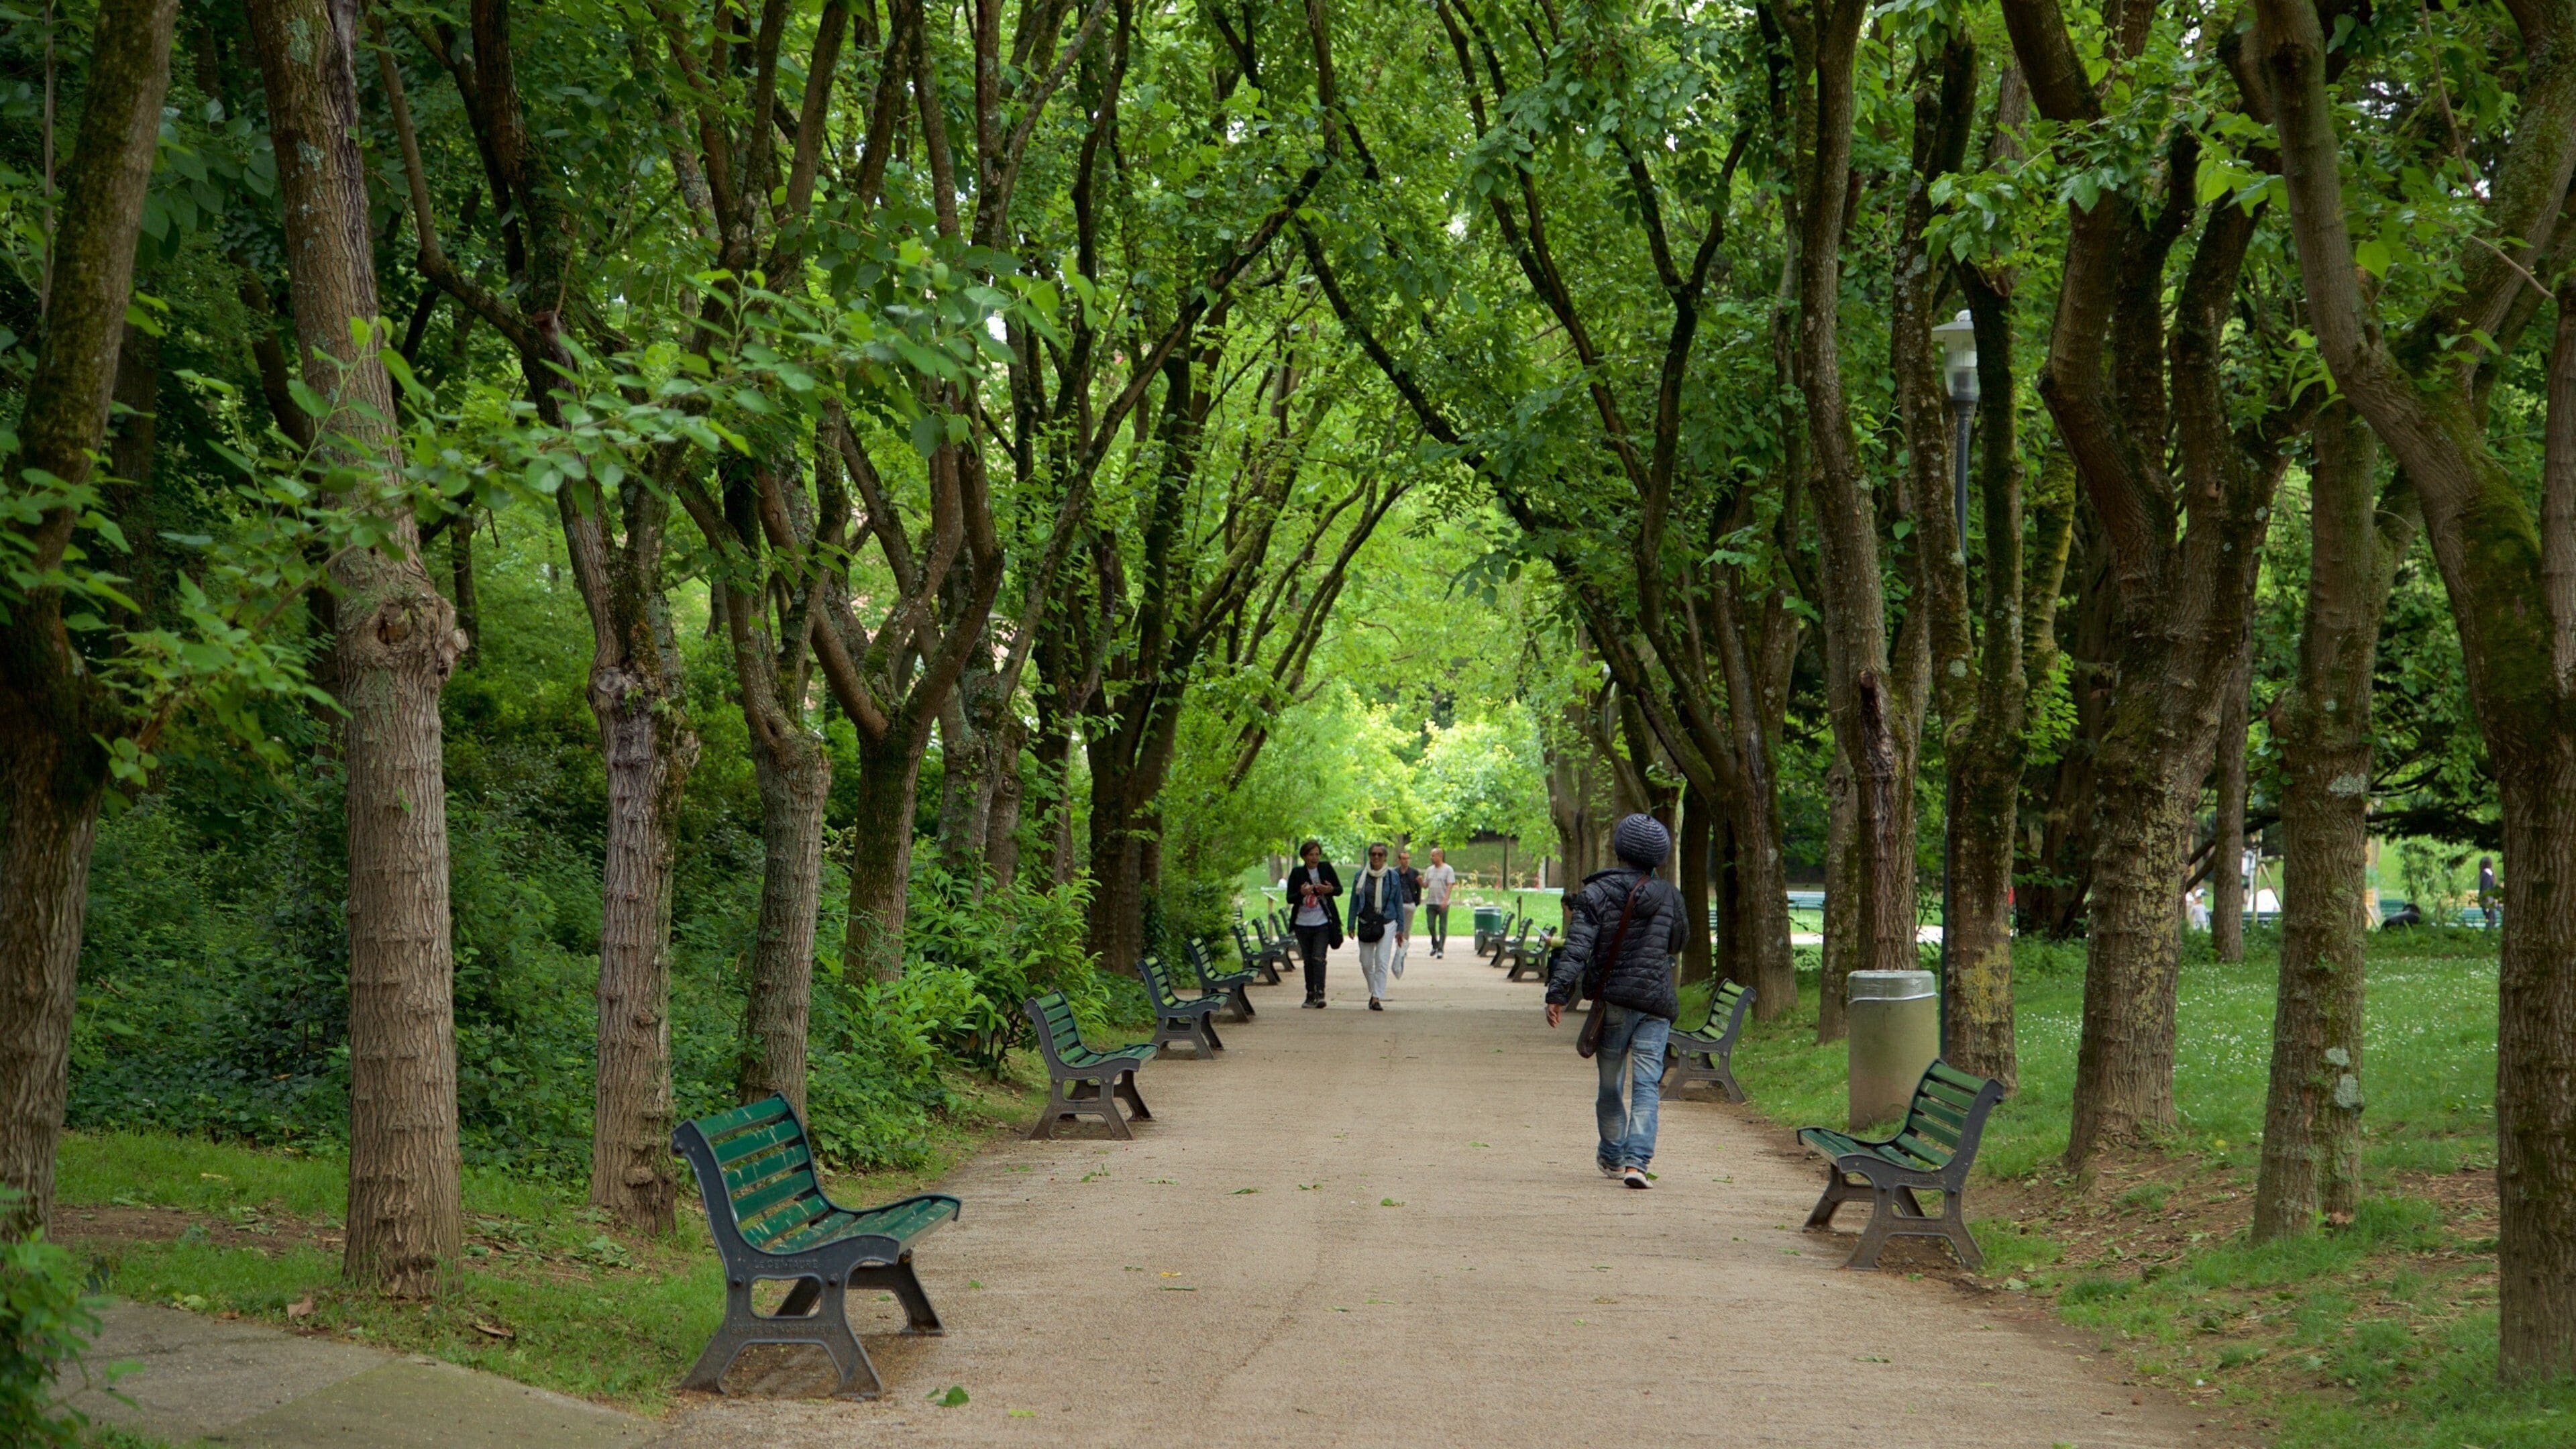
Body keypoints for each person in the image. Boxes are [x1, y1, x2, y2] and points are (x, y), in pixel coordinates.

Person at [1544, 814, 1686, 1189]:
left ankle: (1612, 1155)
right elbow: (1677, 942)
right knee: (1646, 1084)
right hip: (1656, 1003)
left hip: (1615, 1002)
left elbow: (1577, 949)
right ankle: (1637, 1164)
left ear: (1619, 850)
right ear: (1657, 857)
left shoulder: (1596, 893)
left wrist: (1558, 994)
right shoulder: (1670, 895)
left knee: (1611, 1083)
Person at [1348, 843, 1408, 1011]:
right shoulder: (1360, 876)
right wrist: (1351, 923)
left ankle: (1376, 997)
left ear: (1385, 857)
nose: (1376, 857)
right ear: (1369, 856)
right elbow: (1354, 900)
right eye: (1373, 854)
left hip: (1387, 921)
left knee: (1382, 961)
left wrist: (1400, 928)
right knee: (1366, 962)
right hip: (1366, 922)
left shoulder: (1392, 876)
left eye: (1380, 855)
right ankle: (1374, 989)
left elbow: (1398, 902)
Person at [1284, 839, 1342, 1008]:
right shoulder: (1297, 873)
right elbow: (1290, 898)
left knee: (1319, 957)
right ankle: (1310, 993)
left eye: (1317, 854)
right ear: (1304, 856)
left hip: (1322, 922)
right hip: (1303, 923)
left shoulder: (1326, 869)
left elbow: (1339, 890)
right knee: (1308, 960)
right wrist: (1302, 893)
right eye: (1311, 855)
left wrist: (1330, 890)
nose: (1314, 858)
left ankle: (1320, 992)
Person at [1419, 847, 1457, 957]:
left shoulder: (1448, 869)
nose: (1431, 857)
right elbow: (1426, 885)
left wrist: (1445, 900)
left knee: (1442, 927)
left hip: (1443, 902)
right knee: (1431, 925)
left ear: (1440, 856)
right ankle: (1435, 944)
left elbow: (1450, 885)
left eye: (1433, 855)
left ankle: (1441, 948)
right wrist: (1421, 882)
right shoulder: (1430, 869)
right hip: (1431, 902)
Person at [2479, 857, 2499, 928]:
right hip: (2488, 901)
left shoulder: (2486, 874)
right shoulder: (2487, 874)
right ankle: (2488, 937)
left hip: (2487, 901)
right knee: (2491, 921)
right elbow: (2486, 890)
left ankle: (2488, 936)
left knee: (2492, 921)